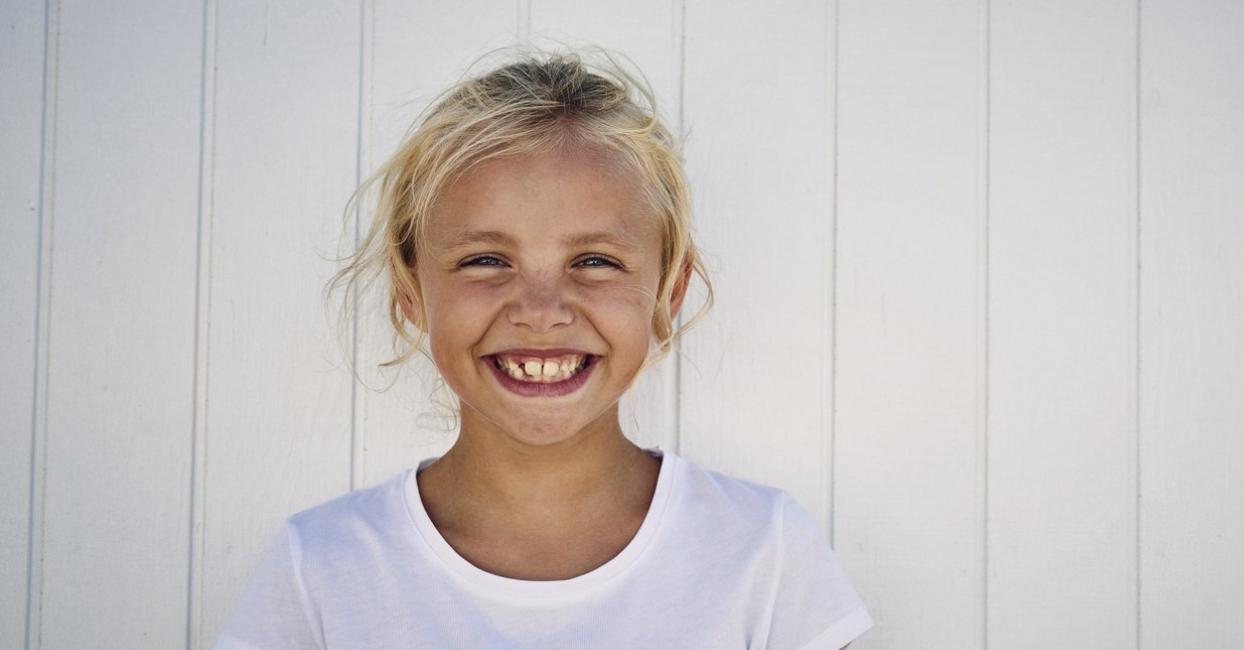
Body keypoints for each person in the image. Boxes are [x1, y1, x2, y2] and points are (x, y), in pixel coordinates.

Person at [214, 45, 872, 649]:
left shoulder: (765, 552)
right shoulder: (321, 567)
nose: (540, 311)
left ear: (670, 292)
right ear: (410, 292)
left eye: (593, 260)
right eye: (484, 260)